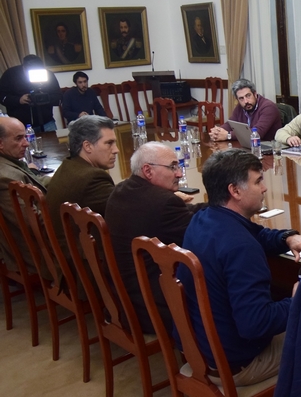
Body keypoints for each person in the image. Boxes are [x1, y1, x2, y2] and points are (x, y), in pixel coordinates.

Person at [178, 148, 301, 386]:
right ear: (235, 190)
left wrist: (287, 238)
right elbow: (256, 324)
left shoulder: (204, 217)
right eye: (258, 181)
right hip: (237, 363)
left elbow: (256, 235)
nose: (264, 188)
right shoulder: (240, 247)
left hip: (200, 347)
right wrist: (297, 300)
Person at [105, 142, 206, 334]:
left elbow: (182, 213)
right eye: (172, 167)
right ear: (148, 171)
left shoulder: (121, 190)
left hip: (123, 299)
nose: (179, 173)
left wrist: (210, 207)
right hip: (152, 308)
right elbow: (201, 234)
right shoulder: (163, 203)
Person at [46, 115, 118, 252]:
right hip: (84, 266)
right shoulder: (92, 178)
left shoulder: (68, 166)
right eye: (109, 143)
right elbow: (128, 211)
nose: (116, 150)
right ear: (87, 146)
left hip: (63, 255)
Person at [0, 116, 51, 277]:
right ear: (0, 143)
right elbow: (33, 222)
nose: (27, 143)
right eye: (18, 138)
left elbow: (36, 182)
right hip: (36, 253)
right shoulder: (6, 177)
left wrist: (69, 178)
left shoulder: (9, 163)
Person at [0, 54, 61, 132]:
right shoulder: (11, 74)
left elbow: (58, 97)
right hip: (20, 124)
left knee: (53, 144)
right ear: (24, 67)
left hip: (47, 122)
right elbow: (2, 96)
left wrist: (45, 98)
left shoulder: (48, 75)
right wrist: (19, 100)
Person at [209, 79, 281, 142]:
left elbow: (257, 133)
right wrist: (218, 132)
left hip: (268, 149)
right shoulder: (240, 107)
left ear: (255, 94)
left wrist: (228, 135)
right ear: (237, 100)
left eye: (248, 96)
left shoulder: (268, 107)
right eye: (241, 98)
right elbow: (230, 124)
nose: (246, 101)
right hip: (248, 146)